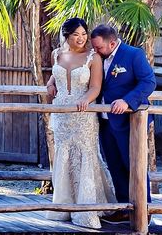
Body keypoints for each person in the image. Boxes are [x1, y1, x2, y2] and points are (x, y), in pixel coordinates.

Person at [45, 18, 116, 229]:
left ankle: (86, 209)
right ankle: (64, 207)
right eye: (77, 35)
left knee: (85, 155)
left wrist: (86, 98)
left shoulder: (93, 57)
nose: (81, 38)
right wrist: (50, 82)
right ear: (66, 35)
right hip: (62, 115)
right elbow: (56, 75)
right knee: (64, 155)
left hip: (83, 115)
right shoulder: (56, 54)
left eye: (84, 34)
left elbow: (95, 86)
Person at [89, 24, 156, 224]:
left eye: (99, 47)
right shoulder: (97, 57)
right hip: (105, 122)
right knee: (115, 165)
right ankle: (123, 207)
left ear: (112, 42)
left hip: (129, 122)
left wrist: (127, 101)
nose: (96, 51)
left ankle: (144, 209)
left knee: (134, 165)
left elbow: (149, 82)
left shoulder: (133, 54)